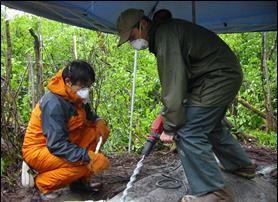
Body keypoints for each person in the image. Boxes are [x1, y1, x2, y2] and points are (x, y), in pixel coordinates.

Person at [116, 8, 256, 202]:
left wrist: (172, 126)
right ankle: (241, 165)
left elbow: (174, 83)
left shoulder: (166, 36)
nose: (132, 42)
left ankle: (216, 193)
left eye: (132, 36)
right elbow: (181, 81)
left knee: (189, 131)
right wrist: (166, 112)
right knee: (209, 123)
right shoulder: (166, 33)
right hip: (219, 76)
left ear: (143, 24)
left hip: (217, 78)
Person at [22, 60, 110, 200]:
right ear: (68, 81)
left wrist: (98, 121)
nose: (86, 90)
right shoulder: (54, 104)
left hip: (63, 142)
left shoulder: (74, 94)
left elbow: (87, 114)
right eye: (83, 86)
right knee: (84, 166)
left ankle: (79, 183)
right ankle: (42, 184)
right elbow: (56, 145)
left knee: (96, 133)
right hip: (40, 149)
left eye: (89, 86)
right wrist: (88, 157)